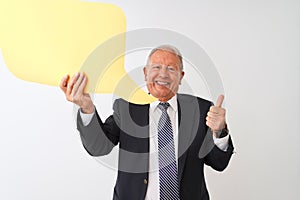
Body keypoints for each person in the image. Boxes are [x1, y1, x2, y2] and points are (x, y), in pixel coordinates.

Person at [60, 45, 234, 200]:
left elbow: (218, 163)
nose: (163, 74)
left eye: (171, 69)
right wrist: (87, 108)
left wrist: (219, 131)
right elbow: (99, 147)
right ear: (145, 73)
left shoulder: (200, 109)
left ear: (181, 77)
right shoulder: (127, 108)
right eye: (156, 67)